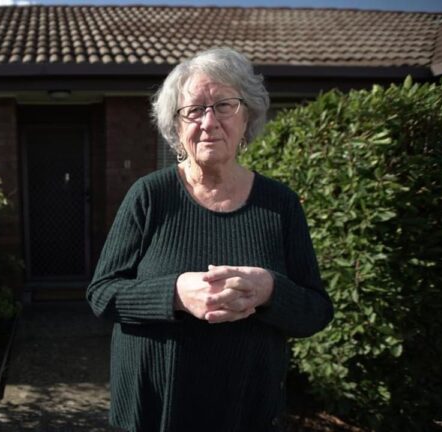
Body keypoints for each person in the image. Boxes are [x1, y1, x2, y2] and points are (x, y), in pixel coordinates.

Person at [86, 47, 333, 432]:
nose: (208, 121)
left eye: (223, 105)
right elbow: (101, 292)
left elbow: (316, 310)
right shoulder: (149, 195)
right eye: (194, 110)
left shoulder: (280, 204)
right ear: (177, 126)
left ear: (247, 114)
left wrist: (269, 290)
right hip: (155, 410)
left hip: (245, 411)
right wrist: (175, 293)